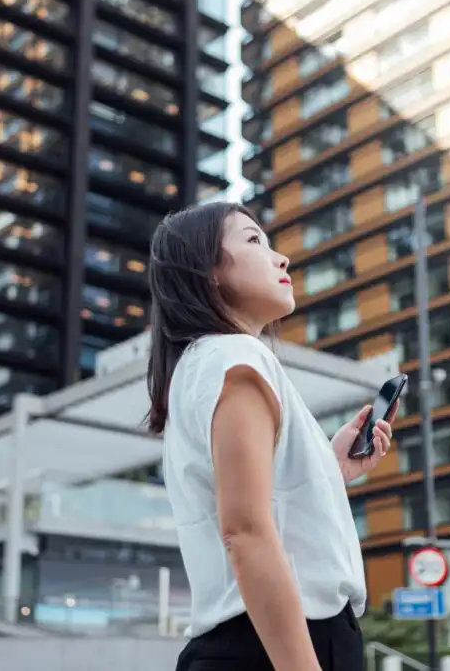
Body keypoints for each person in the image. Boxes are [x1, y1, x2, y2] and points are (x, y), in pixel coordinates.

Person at [147, 203, 396, 671]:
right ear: (210, 271)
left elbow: (261, 508)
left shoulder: (203, 365)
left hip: (251, 643)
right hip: (272, 646)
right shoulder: (236, 357)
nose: (281, 258)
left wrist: (331, 466)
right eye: (254, 240)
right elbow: (245, 531)